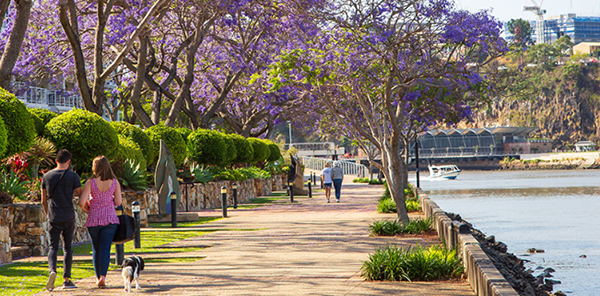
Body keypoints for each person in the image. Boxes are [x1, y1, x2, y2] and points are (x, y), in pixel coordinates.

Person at [41, 149, 83, 291]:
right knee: (68, 248)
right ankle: (66, 279)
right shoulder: (73, 176)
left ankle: (52, 270)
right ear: (69, 161)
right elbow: (81, 194)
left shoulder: (47, 176)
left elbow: (43, 200)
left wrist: (48, 214)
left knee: (53, 247)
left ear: (56, 160)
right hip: (68, 215)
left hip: (54, 216)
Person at [78, 156, 122, 289]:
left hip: (94, 219)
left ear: (95, 167)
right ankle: (103, 276)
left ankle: (98, 277)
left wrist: (89, 206)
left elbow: (81, 202)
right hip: (109, 218)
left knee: (96, 249)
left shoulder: (90, 182)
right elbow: (118, 202)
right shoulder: (115, 182)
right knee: (106, 249)